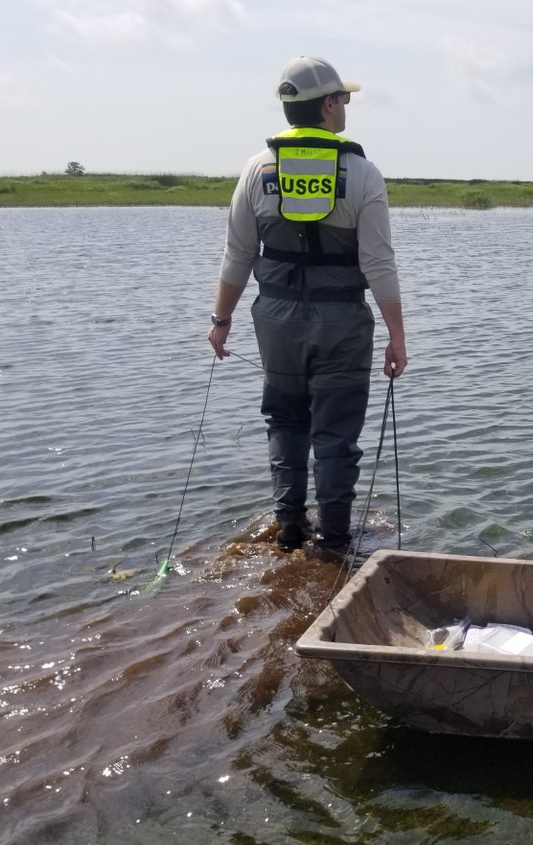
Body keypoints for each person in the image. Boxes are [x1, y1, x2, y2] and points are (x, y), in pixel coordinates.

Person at [207, 55, 407, 554]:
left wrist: (221, 320)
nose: (347, 108)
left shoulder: (257, 169)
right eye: (344, 99)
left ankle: (290, 530)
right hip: (342, 322)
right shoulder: (362, 173)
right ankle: (336, 542)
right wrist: (397, 336)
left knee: (285, 421)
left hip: (275, 319)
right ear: (330, 104)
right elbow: (379, 264)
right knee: (336, 435)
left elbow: (238, 255)